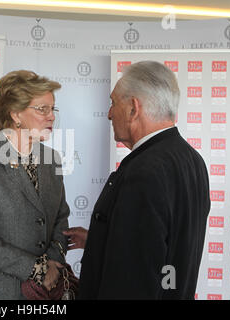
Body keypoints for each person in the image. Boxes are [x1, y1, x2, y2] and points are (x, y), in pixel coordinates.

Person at [69, 61, 210, 299]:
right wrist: (99, 239)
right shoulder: (193, 160)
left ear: (134, 109)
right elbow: (159, 246)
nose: (109, 113)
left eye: (114, 103)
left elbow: (132, 277)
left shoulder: (144, 172)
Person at [0, 70, 70, 299]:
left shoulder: (52, 159)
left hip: (44, 293)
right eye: (42, 109)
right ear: (16, 114)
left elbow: (61, 218)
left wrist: (52, 263)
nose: (51, 117)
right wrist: (36, 269)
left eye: (53, 109)